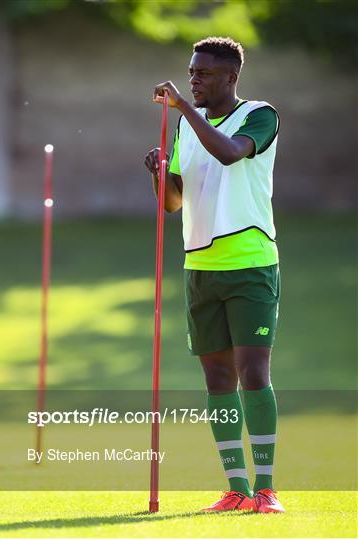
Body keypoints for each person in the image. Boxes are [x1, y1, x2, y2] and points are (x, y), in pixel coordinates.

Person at [144, 36, 284, 514]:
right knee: (218, 379)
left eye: (203, 73)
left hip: (250, 264)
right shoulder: (190, 126)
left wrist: (184, 108)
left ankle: (266, 491)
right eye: (191, 72)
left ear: (231, 77)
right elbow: (175, 202)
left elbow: (230, 154)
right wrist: (160, 175)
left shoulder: (260, 115)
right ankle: (237, 490)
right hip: (200, 266)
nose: (194, 80)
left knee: (253, 373)